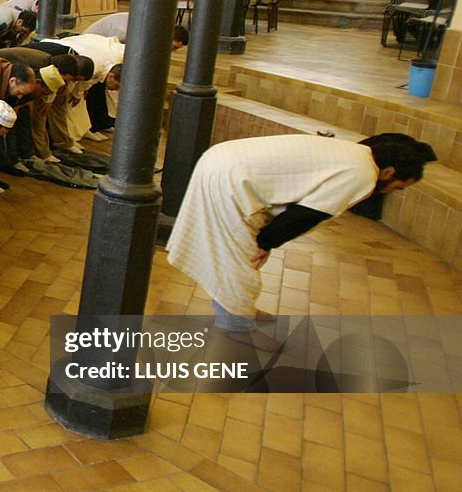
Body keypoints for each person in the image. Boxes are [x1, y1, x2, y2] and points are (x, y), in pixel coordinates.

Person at [167, 133, 435, 352]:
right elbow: (308, 214)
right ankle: (237, 327)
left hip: (224, 160)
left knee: (232, 254)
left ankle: (238, 309)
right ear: (389, 172)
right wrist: (267, 242)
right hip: (232, 180)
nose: (391, 192)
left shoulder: (357, 154)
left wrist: (266, 239)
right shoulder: (363, 174)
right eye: (397, 187)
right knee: (242, 258)